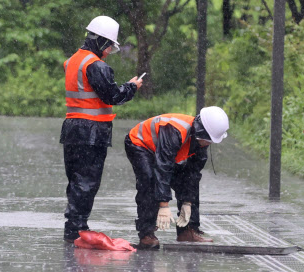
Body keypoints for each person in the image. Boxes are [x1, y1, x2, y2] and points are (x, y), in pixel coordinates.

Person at [60, 15, 143, 242]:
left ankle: (73, 226)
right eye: (109, 48)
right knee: (87, 181)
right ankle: (77, 229)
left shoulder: (72, 61)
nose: (108, 52)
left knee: (76, 180)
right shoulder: (95, 65)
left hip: (71, 129)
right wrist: (132, 87)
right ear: (103, 42)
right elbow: (113, 96)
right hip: (92, 131)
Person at [124, 106, 229, 249]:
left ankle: (187, 231)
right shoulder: (174, 131)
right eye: (207, 139)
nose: (208, 143)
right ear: (200, 131)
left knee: (187, 181)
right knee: (149, 181)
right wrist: (164, 205)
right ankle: (146, 234)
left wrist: (188, 202)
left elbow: (193, 174)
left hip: (163, 154)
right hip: (140, 144)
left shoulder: (201, 142)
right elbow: (163, 167)